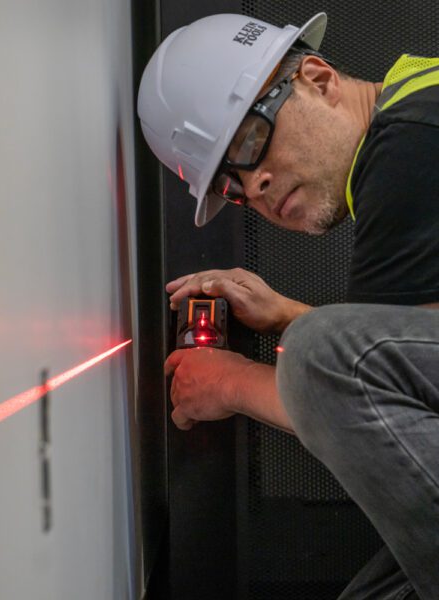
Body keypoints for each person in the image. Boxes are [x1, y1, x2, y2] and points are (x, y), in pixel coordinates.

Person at [138, 11, 439, 600]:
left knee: (319, 352)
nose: (256, 189)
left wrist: (232, 384)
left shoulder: (410, 146)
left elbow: (349, 384)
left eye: (250, 142)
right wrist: (288, 315)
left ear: (319, 79)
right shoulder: (420, 102)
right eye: (231, 185)